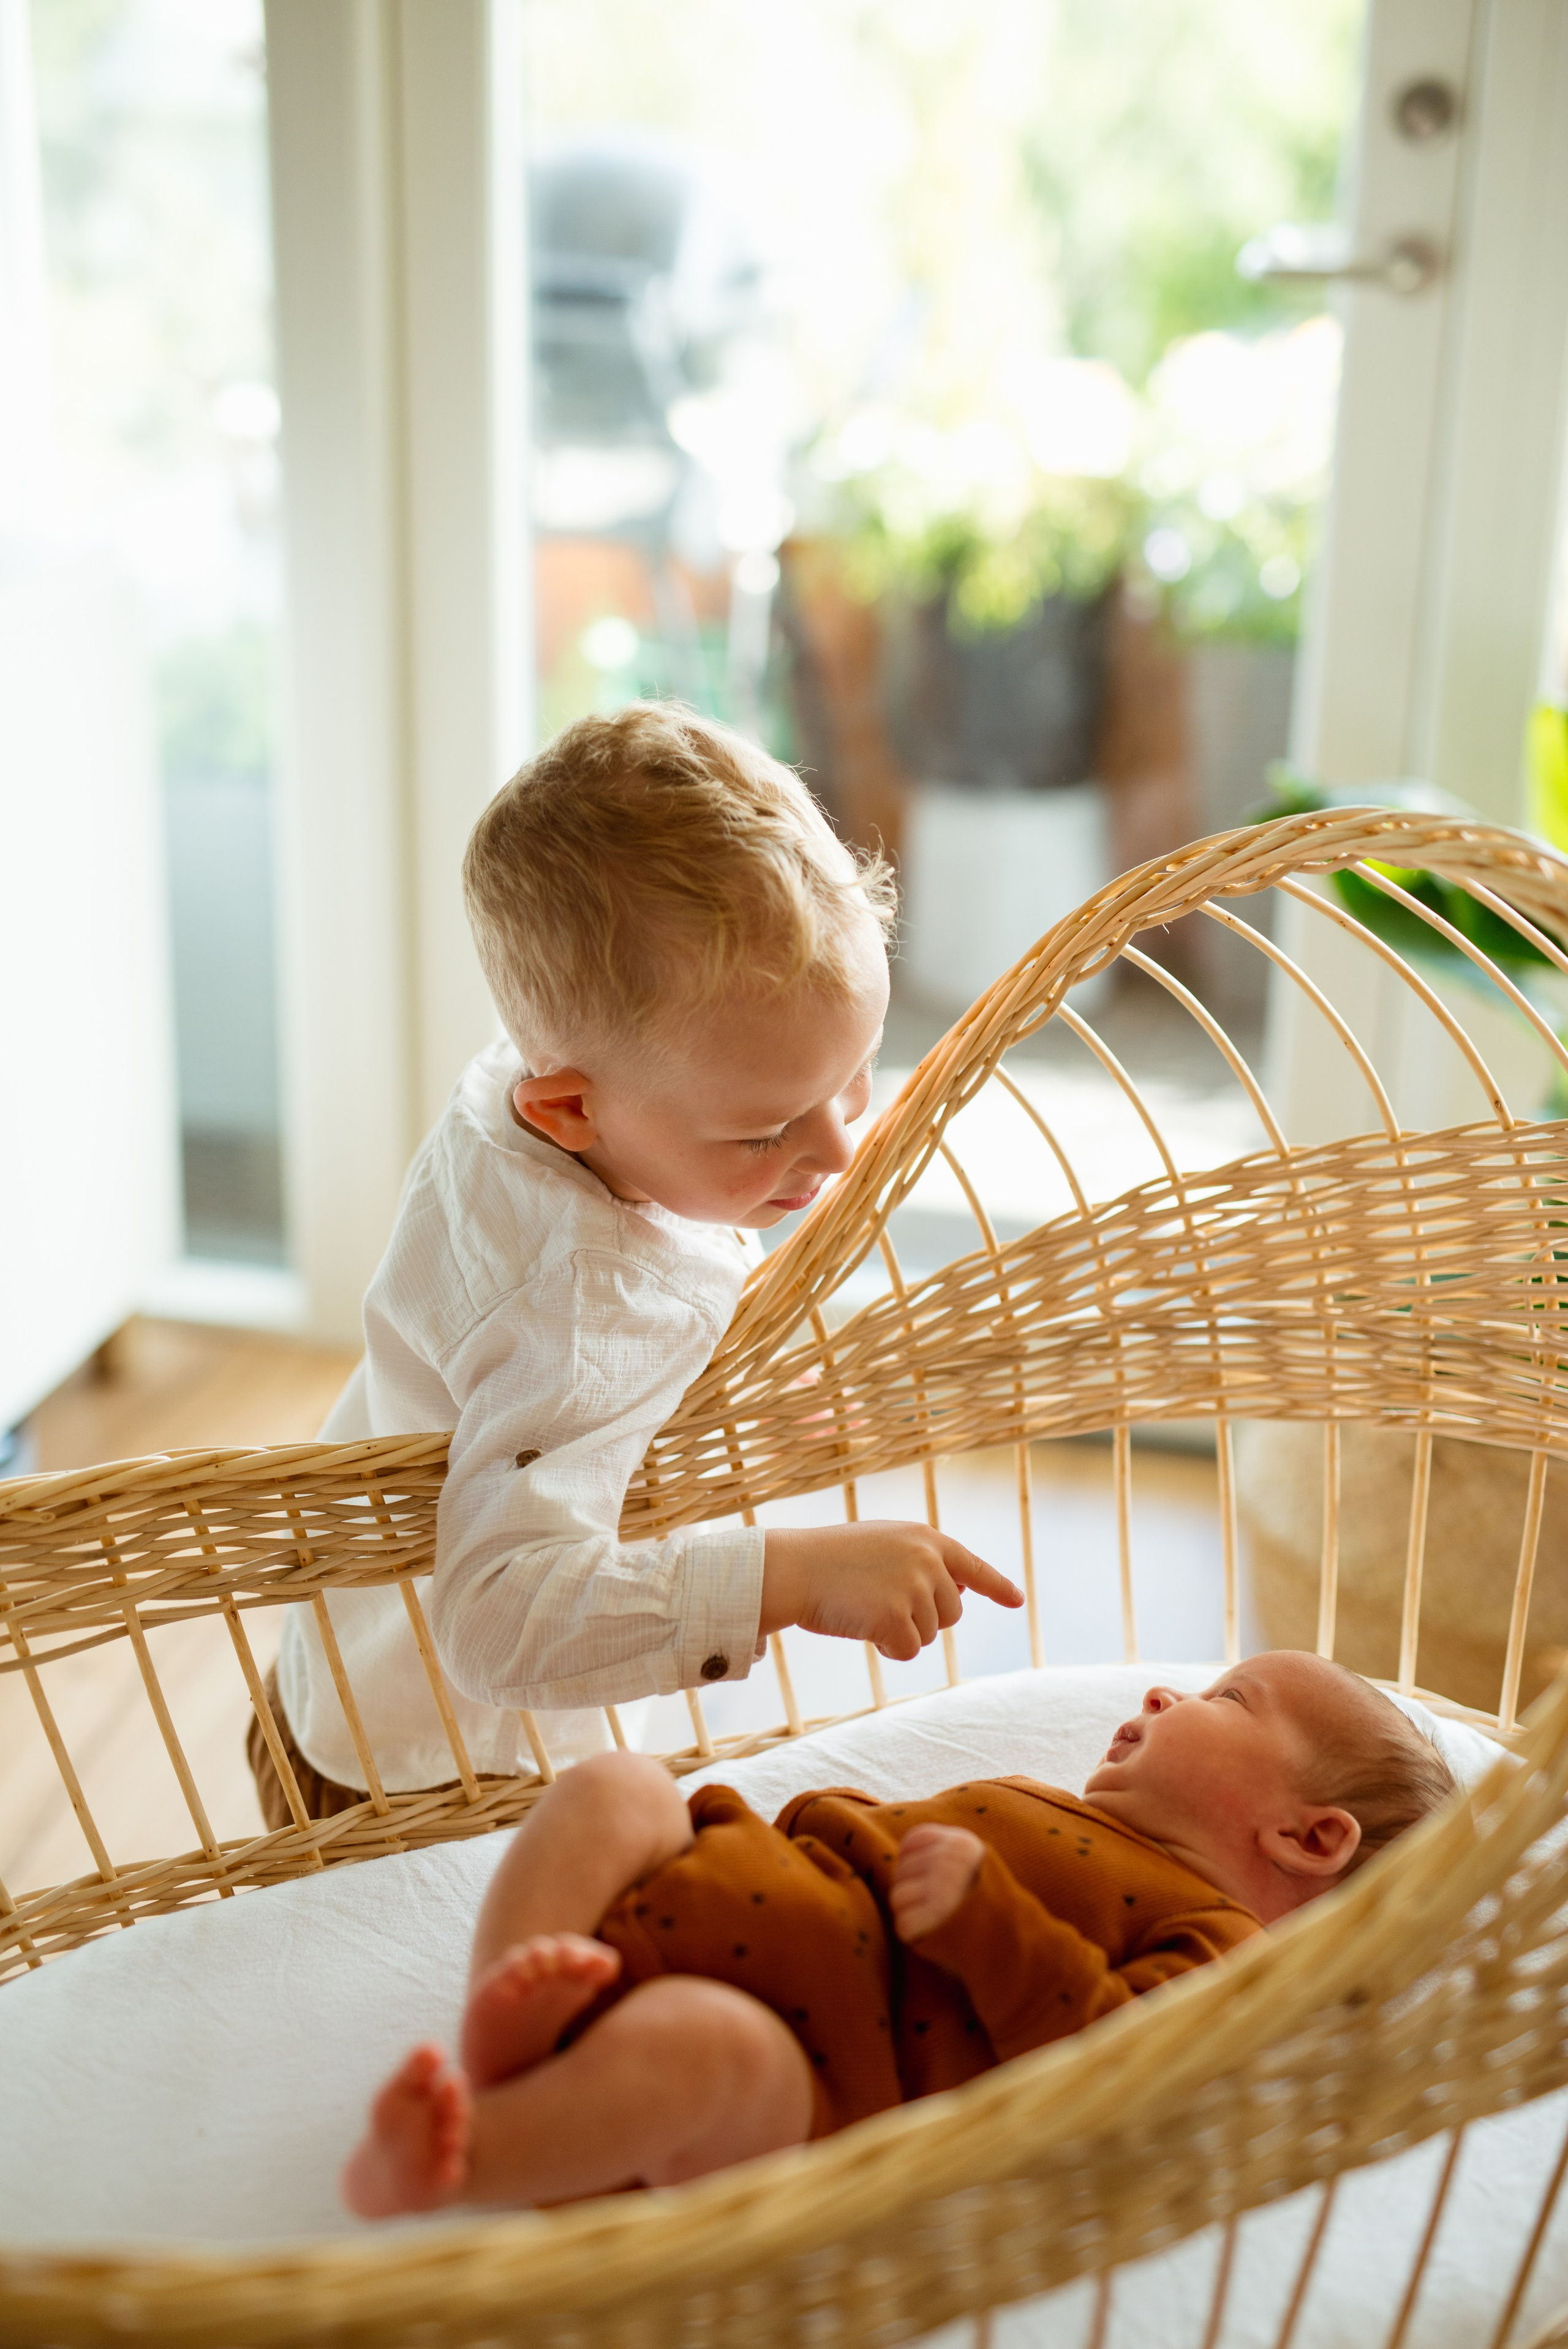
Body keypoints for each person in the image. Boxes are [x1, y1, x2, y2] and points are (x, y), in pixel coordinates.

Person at [249, 703, 1023, 1825]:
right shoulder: (575, 1305)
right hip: (434, 1784)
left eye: (855, 1076)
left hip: (339, 1683)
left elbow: (651, 1256)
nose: (839, 1150)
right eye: (764, 1132)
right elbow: (497, 1617)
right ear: (566, 1109)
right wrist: (795, 1576)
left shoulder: (561, 1090)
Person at [342, 1651, 1457, 2216]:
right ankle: (520, 2011)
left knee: (709, 2053)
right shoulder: (1049, 1800)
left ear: (1309, 1837)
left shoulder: (1218, 1947)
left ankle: (468, 2157)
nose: (1167, 1693)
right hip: (719, 1883)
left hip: (812, 2073)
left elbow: (1109, 2067)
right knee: (615, 1787)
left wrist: (991, 1922)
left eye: (1228, 1699)